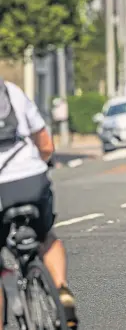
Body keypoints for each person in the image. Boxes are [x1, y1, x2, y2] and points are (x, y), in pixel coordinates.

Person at [0, 79, 78, 329]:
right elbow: (44, 142)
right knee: (46, 236)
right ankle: (61, 290)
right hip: (32, 180)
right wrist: (42, 165)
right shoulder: (11, 91)